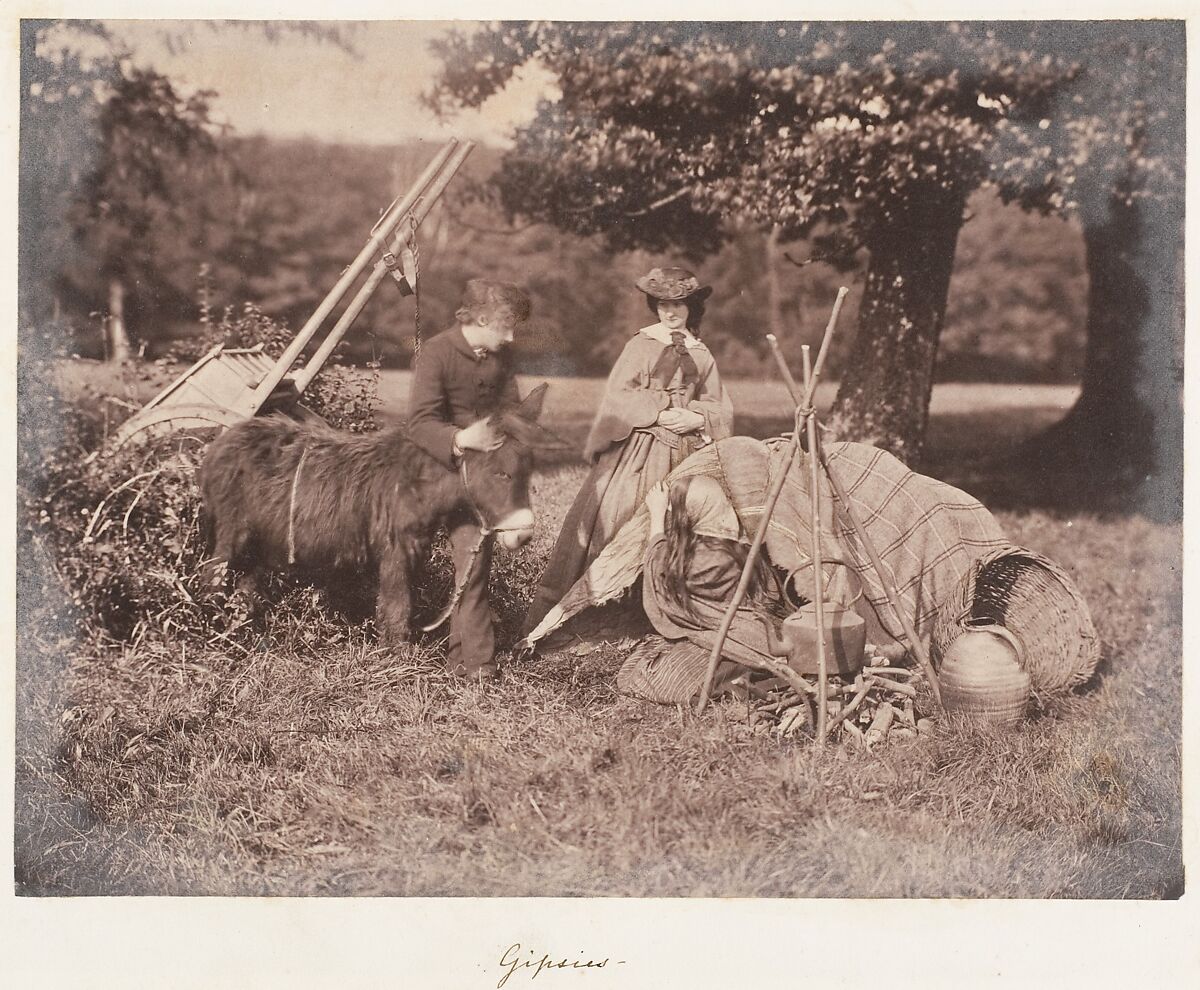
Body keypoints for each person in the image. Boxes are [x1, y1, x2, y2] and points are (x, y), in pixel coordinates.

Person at [523, 266, 733, 635]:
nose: (670, 312)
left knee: (686, 528)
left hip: (687, 453)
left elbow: (720, 406)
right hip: (640, 450)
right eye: (663, 304)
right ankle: (594, 620)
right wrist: (662, 411)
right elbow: (620, 395)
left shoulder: (702, 354)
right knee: (620, 521)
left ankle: (663, 619)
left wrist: (696, 418)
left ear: (691, 308)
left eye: (679, 305)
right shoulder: (641, 344)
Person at [408, 278, 531, 682]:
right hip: (431, 470)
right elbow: (419, 423)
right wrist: (461, 439)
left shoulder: (502, 357)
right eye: (505, 326)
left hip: (480, 479)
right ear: (481, 318)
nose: (511, 336)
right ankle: (404, 644)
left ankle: (474, 664)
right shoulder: (438, 353)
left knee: (474, 560)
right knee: (407, 558)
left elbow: (509, 410)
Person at [616, 475, 791, 704]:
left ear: (689, 512)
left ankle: (732, 678)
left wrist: (657, 519)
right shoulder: (740, 545)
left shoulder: (706, 556)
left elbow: (658, 573)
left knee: (644, 675)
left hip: (728, 637)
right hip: (756, 633)